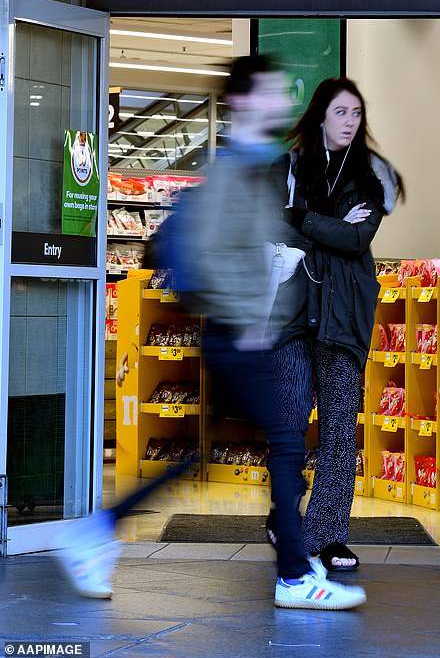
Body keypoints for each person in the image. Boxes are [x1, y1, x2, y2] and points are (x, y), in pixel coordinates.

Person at [55, 56, 366, 611]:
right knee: (289, 444)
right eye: (270, 91)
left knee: (205, 450)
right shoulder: (235, 171)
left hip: (245, 335)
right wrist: (248, 316)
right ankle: (294, 576)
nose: (279, 100)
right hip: (238, 336)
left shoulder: (252, 166)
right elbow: (207, 252)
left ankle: (96, 532)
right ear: (246, 101)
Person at [265, 76, 405, 573]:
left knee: (341, 430)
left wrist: (303, 217)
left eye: (357, 114)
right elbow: (274, 222)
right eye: (341, 112)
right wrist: (326, 224)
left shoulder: (374, 176)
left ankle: (327, 536)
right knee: (288, 421)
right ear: (321, 114)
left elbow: (356, 239)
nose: (350, 122)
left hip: (344, 314)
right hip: (294, 310)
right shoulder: (289, 167)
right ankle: (285, 515)